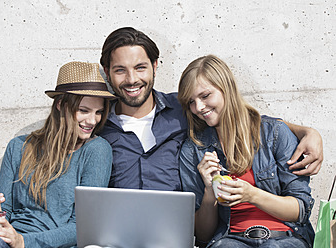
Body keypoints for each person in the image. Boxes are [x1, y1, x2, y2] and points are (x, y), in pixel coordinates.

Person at [98, 27, 323, 191]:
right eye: (120, 70)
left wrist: (307, 132)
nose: (132, 79)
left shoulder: (184, 107)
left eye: (140, 68)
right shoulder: (97, 122)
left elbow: (244, 119)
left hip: (175, 233)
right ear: (107, 73)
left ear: (155, 66)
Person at [0, 62, 116, 248]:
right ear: (61, 105)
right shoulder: (19, 147)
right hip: (13, 240)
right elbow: (4, 212)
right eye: (84, 110)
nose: (92, 120)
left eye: (99, 112)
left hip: (60, 244)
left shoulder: (96, 150)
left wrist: (25, 242)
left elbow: (84, 226)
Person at [178, 54, 314, 247]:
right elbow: (203, 235)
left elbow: (300, 209)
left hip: (283, 236)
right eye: (191, 102)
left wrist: (251, 195)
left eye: (205, 96)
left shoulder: (274, 134)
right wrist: (209, 192)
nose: (198, 107)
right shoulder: (193, 149)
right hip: (229, 239)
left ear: (227, 88)